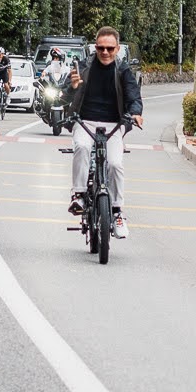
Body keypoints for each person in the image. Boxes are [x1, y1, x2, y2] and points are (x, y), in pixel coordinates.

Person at [68, 26, 141, 238]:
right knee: (81, 147)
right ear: (95, 47)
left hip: (115, 124)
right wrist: (72, 87)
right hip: (84, 121)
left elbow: (133, 96)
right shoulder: (83, 66)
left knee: (115, 164)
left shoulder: (123, 70)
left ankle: (117, 212)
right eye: (101, 48)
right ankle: (79, 195)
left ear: (117, 49)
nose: (105, 52)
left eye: (110, 48)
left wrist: (135, 113)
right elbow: (64, 94)